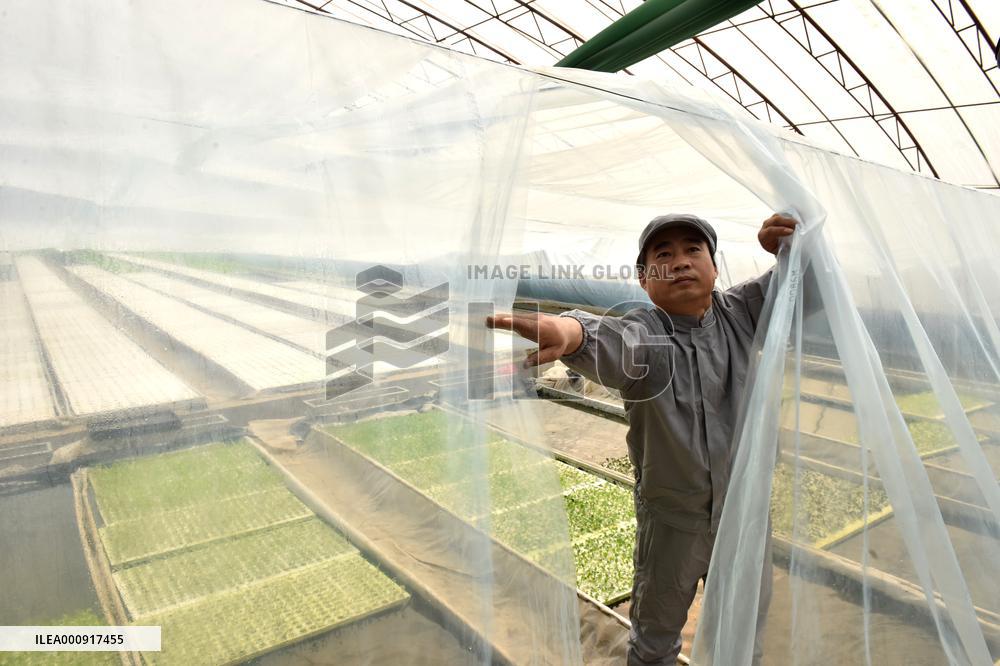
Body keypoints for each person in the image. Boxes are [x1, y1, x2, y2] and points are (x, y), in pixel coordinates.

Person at [487, 212, 797, 665]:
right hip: (673, 523)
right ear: (644, 279)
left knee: (743, 633)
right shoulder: (645, 335)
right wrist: (568, 331)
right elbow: (601, 338)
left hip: (744, 518)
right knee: (654, 640)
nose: (679, 262)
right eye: (662, 255)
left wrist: (789, 249)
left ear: (715, 267)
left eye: (693, 250)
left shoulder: (743, 314)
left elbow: (806, 286)